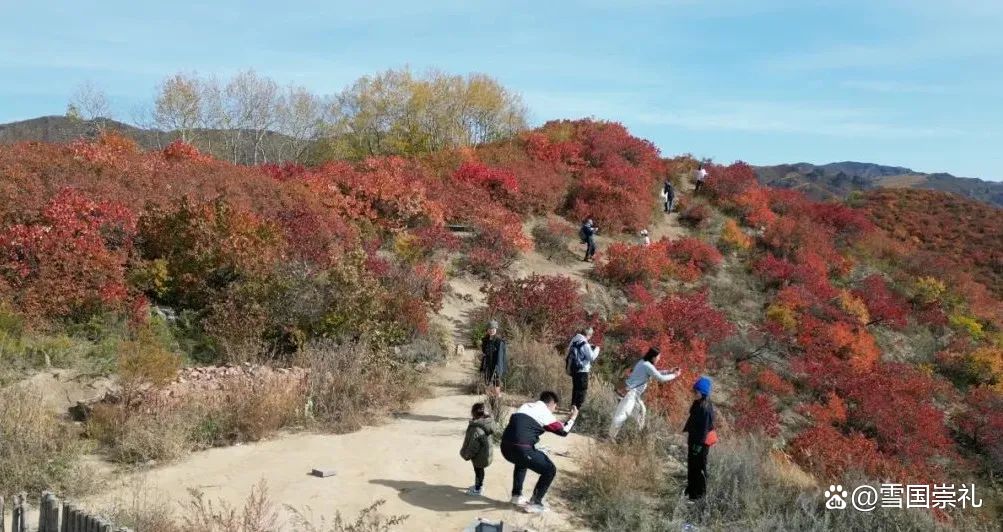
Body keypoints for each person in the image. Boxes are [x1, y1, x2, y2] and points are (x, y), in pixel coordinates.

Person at [500, 391, 578, 513]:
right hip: (521, 449)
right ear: (552, 404)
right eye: (555, 407)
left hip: (505, 448)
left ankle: (516, 496)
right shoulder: (545, 412)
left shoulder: (526, 406)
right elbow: (563, 431)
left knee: (522, 462)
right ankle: (535, 503)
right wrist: (573, 417)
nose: (554, 410)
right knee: (549, 470)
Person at [608, 347, 681, 439]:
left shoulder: (643, 362)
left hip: (634, 395)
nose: (659, 359)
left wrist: (669, 371)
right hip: (631, 394)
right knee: (622, 415)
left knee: (641, 411)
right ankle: (610, 437)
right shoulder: (647, 365)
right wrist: (674, 375)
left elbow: (655, 373)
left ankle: (637, 437)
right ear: (653, 357)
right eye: (658, 357)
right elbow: (660, 378)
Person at [683, 376, 715, 503]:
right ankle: (691, 490)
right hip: (694, 439)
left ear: (703, 393)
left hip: (702, 443)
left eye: (696, 391)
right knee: (691, 465)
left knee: (700, 468)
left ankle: (699, 496)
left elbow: (705, 430)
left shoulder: (706, 408)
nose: (694, 393)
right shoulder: (697, 403)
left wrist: (698, 446)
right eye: (694, 391)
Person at [460, 402, 498, 497]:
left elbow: (474, 446)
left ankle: (478, 489)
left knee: (478, 472)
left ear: (474, 413)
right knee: (480, 471)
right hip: (485, 453)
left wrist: (467, 455)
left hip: (479, 456)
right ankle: (479, 486)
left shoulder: (477, 428)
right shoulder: (487, 423)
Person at [566, 326, 600, 409]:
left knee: (575, 389)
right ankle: (577, 410)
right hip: (582, 369)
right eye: (590, 335)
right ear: (588, 335)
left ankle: (573, 407)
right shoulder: (584, 343)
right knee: (582, 390)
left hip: (574, 368)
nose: (590, 337)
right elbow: (591, 357)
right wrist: (597, 349)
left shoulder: (574, 340)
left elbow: (569, 350)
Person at [480, 320, 507, 394]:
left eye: (493, 329)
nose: (491, 330)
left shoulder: (499, 341)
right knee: (487, 382)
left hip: (496, 365)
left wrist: (497, 368)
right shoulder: (485, 340)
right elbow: (484, 352)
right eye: (490, 329)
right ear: (487, 330)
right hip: (487, 364)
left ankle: (497, 398)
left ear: (496, 329)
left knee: (496, 382)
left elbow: (500, 356)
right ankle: (489, 398)